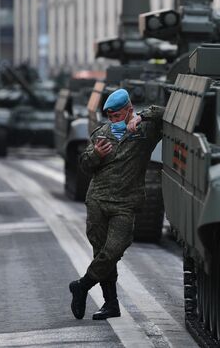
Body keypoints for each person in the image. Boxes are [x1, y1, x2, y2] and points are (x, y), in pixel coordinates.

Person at [69, 88, 165, 320]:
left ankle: (82, 286)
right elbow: (84, 165)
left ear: (129, 110)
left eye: (118, 116)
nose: (113, 121)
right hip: (98, 201)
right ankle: (111, 304)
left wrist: (142, 117)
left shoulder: (145, 130)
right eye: (110, 117)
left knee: (114, 250)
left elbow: (166, 111)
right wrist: (96, 155)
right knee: (101, 252)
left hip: (125, 203)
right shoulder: (102, 133)